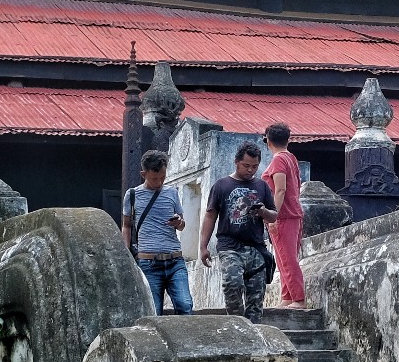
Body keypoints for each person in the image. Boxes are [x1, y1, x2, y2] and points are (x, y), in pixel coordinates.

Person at [200, 142, 278, 323]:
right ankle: (236, 323)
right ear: (236, 162)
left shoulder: (262, 186)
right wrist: (203, 246)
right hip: (229, 245)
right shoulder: (221, 185)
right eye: (246, 166)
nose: (250, 170)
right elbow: (210, 216)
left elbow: (274, 215)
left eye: (254, 167)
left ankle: (254, 331)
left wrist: (263, 212)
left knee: (256, 298)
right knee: (232, 284)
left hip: (256, 248)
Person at [122, 150, 192, 316]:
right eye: (155, 178)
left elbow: (182, 225)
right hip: (148, 263)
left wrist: (178, 223)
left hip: (175, 260)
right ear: (143, 174)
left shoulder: (172, 193)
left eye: (162, 177)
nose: (159, 182)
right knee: (153, 312)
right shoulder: (132, 195)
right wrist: (126, 253)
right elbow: (126, 226)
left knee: (185, 305)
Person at [261, 123, 306, 307]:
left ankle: (298, 298)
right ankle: (287, 296)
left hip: (284, 214)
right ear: (288, 140)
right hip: (293, 212)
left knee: (287, 258)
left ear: (268, 141)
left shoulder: (278, 160)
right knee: (284, 258)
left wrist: (273, 216)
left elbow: (280, 190)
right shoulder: (291, 158)